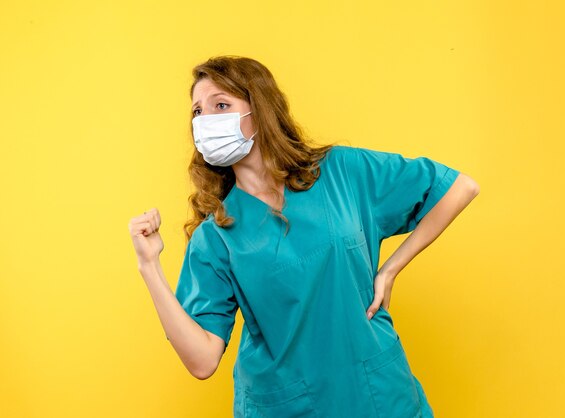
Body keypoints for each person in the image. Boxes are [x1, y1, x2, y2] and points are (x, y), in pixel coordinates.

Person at [128, 55, 479, 418]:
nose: (206, 121)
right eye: (198, 113)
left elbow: (459, 188)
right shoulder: (216, 235)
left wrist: (390, 269)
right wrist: (149, 266)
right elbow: (202, 361)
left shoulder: (342, 172)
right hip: (285, 404)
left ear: (259, 111)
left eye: (221, 105)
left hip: (376, 395)